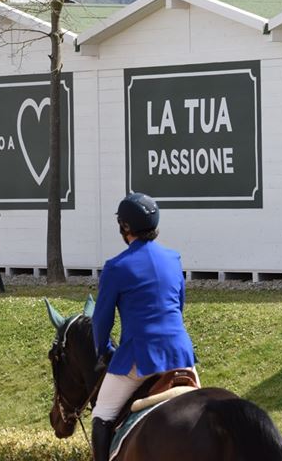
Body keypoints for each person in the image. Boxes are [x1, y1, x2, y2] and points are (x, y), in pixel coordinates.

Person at [91, 192, 198, 461]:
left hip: (140, 358)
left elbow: (102, 320)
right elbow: (178, 306)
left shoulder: (116, 267)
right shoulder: (174, 259)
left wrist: (104, 351)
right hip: (182, 355)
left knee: (101, 415)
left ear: (125, 227)